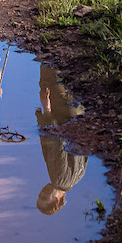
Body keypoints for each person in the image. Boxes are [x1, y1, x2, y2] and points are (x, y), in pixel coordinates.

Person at [35, 65, 87, 215]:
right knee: (51, 64)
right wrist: (47, 110)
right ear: (56, 200)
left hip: (76, 112)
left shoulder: (77, 179)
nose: (42, 191)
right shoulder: (58, 179)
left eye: (40, 194)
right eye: (45, 196)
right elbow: (56, 143)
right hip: (62, 110)